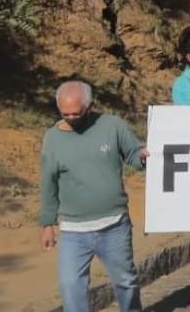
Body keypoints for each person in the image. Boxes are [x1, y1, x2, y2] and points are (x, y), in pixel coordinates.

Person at [39, 81, 146, 312]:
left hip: (114, 225)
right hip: (73, 231)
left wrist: (143, 157)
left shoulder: (112, 126)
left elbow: (133, 155)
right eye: (64, 113)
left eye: (76, 113)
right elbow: (48, 183)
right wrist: (47, 223)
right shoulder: (52, 138)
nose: (70, 118)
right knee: (70, 287)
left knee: (126, 282)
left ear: (90, 107)